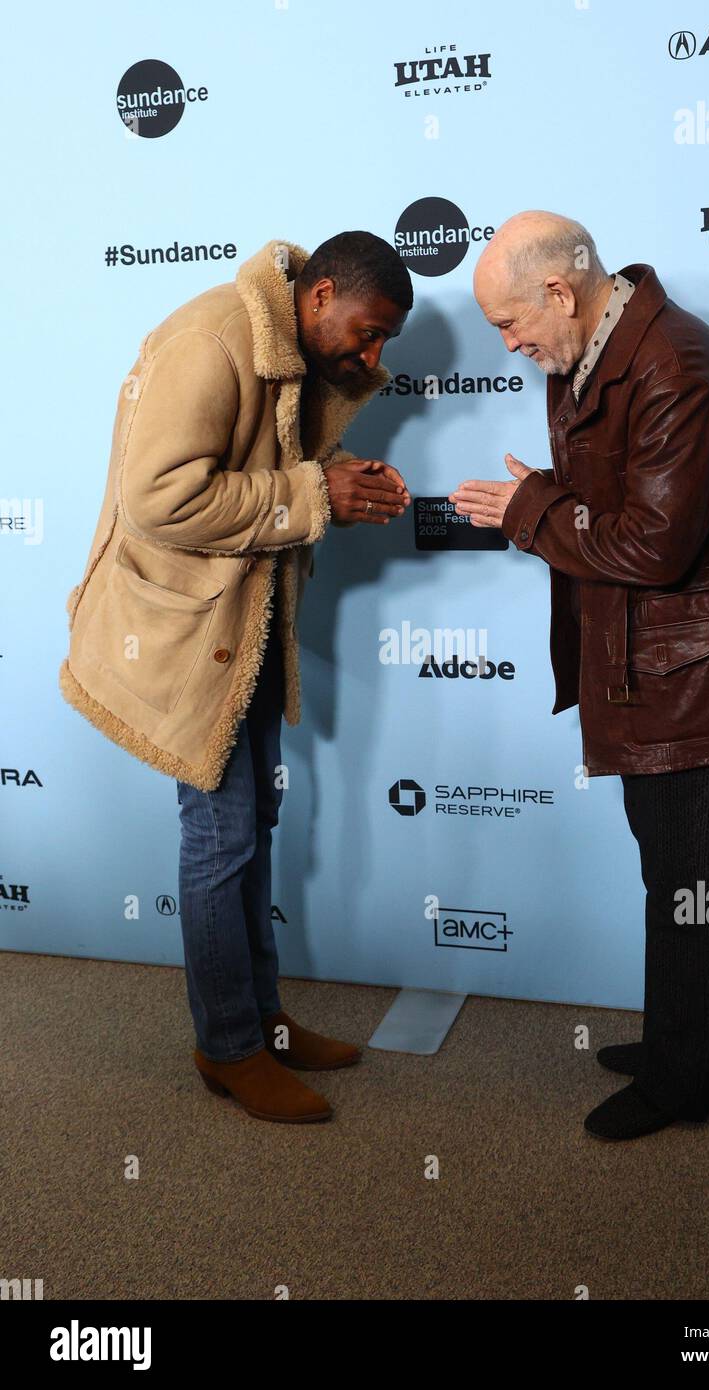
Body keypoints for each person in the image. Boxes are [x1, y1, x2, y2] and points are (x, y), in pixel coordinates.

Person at [450, 210, 709, 1141]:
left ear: (561, 293)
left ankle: (682, 1083)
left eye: (510, 322)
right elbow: (626, 512)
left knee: (690, 883)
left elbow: (653, 548)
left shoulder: (674, 367)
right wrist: (547, 504)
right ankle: (702, 1046)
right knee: (682, 876)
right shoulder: (603, 351)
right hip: (661, 662)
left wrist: (533, 507)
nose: (510, 343)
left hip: (695, 668)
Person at [60, 232, 413, 1124]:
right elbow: (161, 499)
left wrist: (326, 482)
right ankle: (228, 1047)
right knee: (221, 839)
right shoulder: (213, 341)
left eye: (383, 347)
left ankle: (263, 1025)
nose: (371, 359)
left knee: (251, 823)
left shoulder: (289, 345)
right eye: (366, 334)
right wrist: (313, 495)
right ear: (321, 293)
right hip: (184, 630)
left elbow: (279, 471)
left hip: (243, 624)